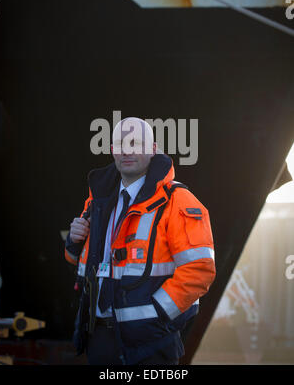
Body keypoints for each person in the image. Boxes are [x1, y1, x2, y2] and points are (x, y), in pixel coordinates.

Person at [65, 117, 216, 365]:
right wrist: (73, 240)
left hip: (151, 347)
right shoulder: (98, 203)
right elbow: (76, 261)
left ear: (153, 149)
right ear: (112, 149)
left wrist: (156, 316)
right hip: (100, 340)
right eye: (120, 143)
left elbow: (200, 271)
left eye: (136, 142)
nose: (127, 150)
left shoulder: (178, 201)